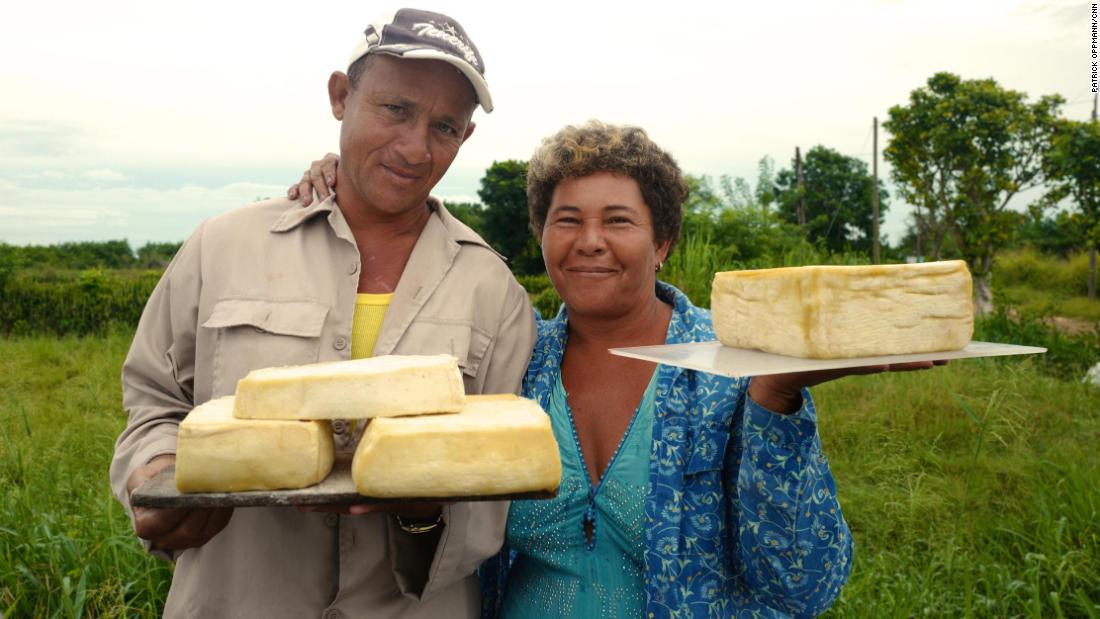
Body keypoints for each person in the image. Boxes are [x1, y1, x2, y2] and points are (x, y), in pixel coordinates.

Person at [294, 120, 947, 618]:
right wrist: (348, 184)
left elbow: (801, 582)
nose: (590, 241)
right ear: (542, 236)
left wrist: (777, 394)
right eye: (567, 219)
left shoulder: (734, 369)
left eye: (619, 221)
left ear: (662, 242)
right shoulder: (513, 361)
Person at [110, 9, 536, 618]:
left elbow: (496, 479)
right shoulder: (223, 246)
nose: (415, 148)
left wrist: (420, 512)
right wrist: (158, 474)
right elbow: (153, 398)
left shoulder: (493, 290)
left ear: (464, 139)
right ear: (341, 96)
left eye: (443, 126)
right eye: (395, 110)